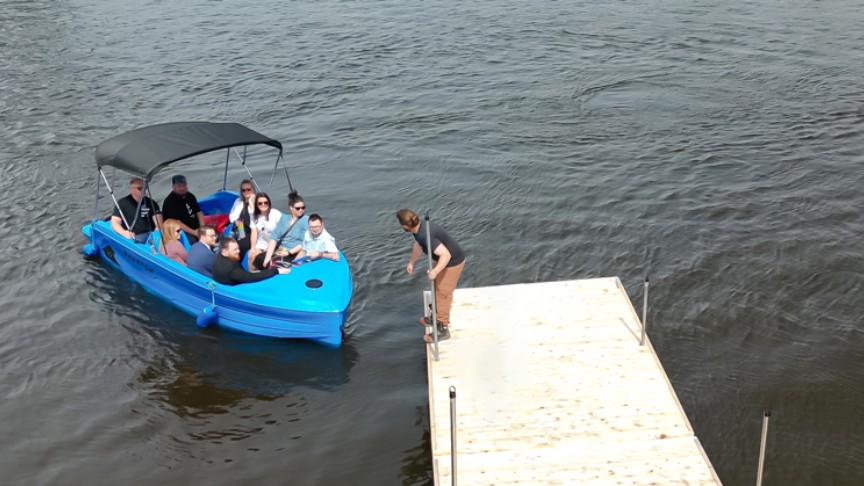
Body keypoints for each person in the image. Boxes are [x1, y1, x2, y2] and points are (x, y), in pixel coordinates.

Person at [396, 209, 465, 343]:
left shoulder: (425, 235)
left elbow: (446, 255)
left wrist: (435, 271)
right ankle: (436, 316)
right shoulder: (418, 230)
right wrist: (411, 262)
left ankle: (443, 328)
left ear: (405, 226)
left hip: (453, 262)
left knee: (442, 293)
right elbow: (418, 246)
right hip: (444, 261)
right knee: (435, 286)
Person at [258, 190, 309, 270]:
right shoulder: (284, 219)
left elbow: (304, 242)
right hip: (281, 250)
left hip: (292, 252)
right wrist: (267, 258)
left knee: (274, 265)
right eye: (298, 208)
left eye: (303, 208)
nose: (301, 210)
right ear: (291, 208)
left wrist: (288, 253)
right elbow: (274, 238)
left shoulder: (305, 220)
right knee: (259, 258)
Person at [212, 237, 288, 285]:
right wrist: (275, 271)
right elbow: (251, 277)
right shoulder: (232, 269)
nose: (238, 251)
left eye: (238, 248)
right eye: (235, 250)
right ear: (225, 252)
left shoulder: (219, 256)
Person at [111, 177, 163, 242]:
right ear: (131, 189)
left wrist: (156, 235)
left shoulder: (151, 203)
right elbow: (115, 222)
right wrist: (124, 233)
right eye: (140, 188)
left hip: (150, 236)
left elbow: (159, 223)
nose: (144, 190)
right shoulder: (122, 203)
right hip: (133, 237)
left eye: (145, 188)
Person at [162, 175, 205, 244]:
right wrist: (195, 233)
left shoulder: (190, 196)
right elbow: (177, 222)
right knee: (192, 241)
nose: (182, 188)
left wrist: (203, 228)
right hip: (180, 230)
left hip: (196, 227)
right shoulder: (170, 202)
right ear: (173, 187)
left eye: (184, 185)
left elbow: (199, 212)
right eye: (179, 186)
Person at [247, 192, 283, 270]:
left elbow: (282, 232)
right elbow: (254, 232)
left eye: (265, 202)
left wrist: (271, 246)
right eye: (260, 203)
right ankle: (252, 275)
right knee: (251, 256)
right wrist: (253, 248)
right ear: (257, 205)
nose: (263, 205)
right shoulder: (254, 215)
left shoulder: (275, 214)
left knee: (268, 260)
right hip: (261, 243)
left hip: (274, 243)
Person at [228, 179, 256, 259]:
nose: (246, 192)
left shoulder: (258, 202)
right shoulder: (239, 201)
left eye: (249, 189)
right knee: (228, 242)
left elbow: (256, 219)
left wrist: (251, 201)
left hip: (253, 232)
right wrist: (240, 231)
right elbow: (232, 217)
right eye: (243, 190)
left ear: (253, 189)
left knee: (240, 245)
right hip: (241, 230)